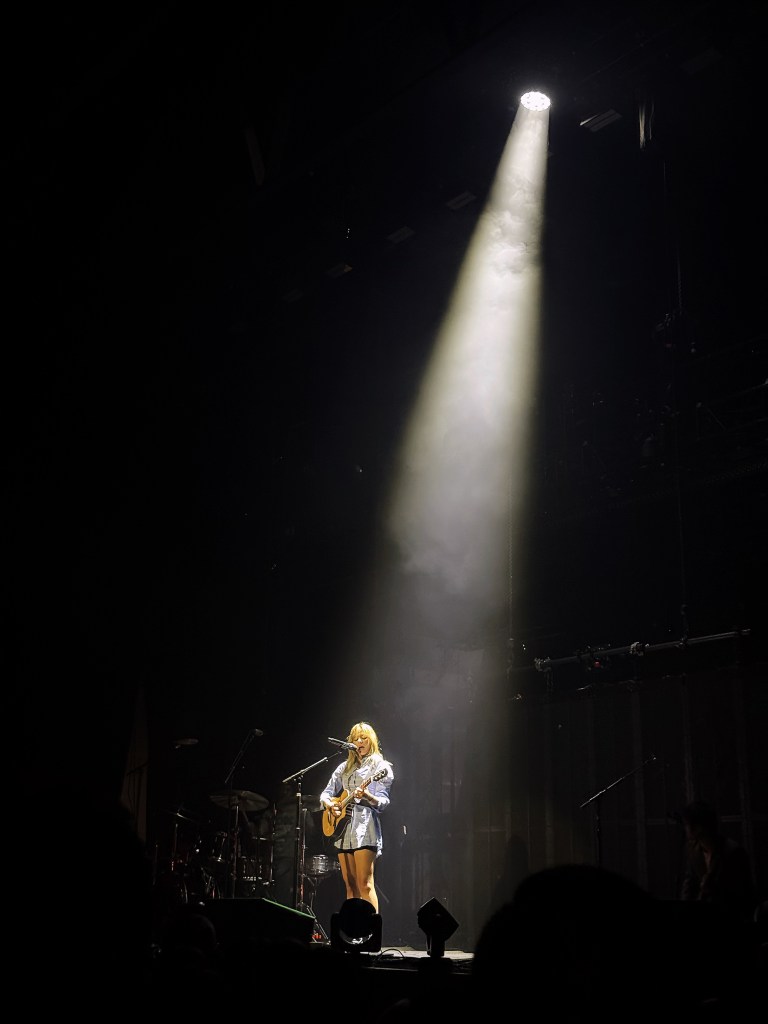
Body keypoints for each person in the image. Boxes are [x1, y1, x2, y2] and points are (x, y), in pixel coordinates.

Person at [320, 721, 394, 912]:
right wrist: (331, 805)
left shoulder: (380, 766)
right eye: (355, 739)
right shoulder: (344, 767)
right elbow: (326, 793)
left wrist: (368, 796)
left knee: (365, 884)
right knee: (350, 885)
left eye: (363, 738)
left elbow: (384, 802)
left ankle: (371, 933)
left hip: (365, 827)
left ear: (371, 741)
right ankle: (354, 933)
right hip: (343, 830)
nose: (359, 741)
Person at [679, 800, 757, 928]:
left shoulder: (732, 852)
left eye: (687, 824)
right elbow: (689, 883)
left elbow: (742, 895)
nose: (685, 828)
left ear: (699, 827)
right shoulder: (693, 850)